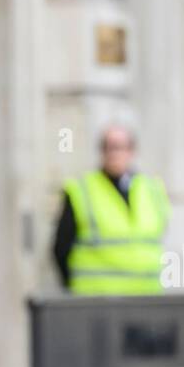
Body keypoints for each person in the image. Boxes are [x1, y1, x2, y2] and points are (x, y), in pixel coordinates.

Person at [52, 123, 170, 294]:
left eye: (120, 147)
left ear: (132, 151)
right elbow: (61, 248)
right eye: (109, 147)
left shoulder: (153, 189)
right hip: (97, 299)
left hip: (146, 296)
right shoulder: (81, 190)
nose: (114, 153)